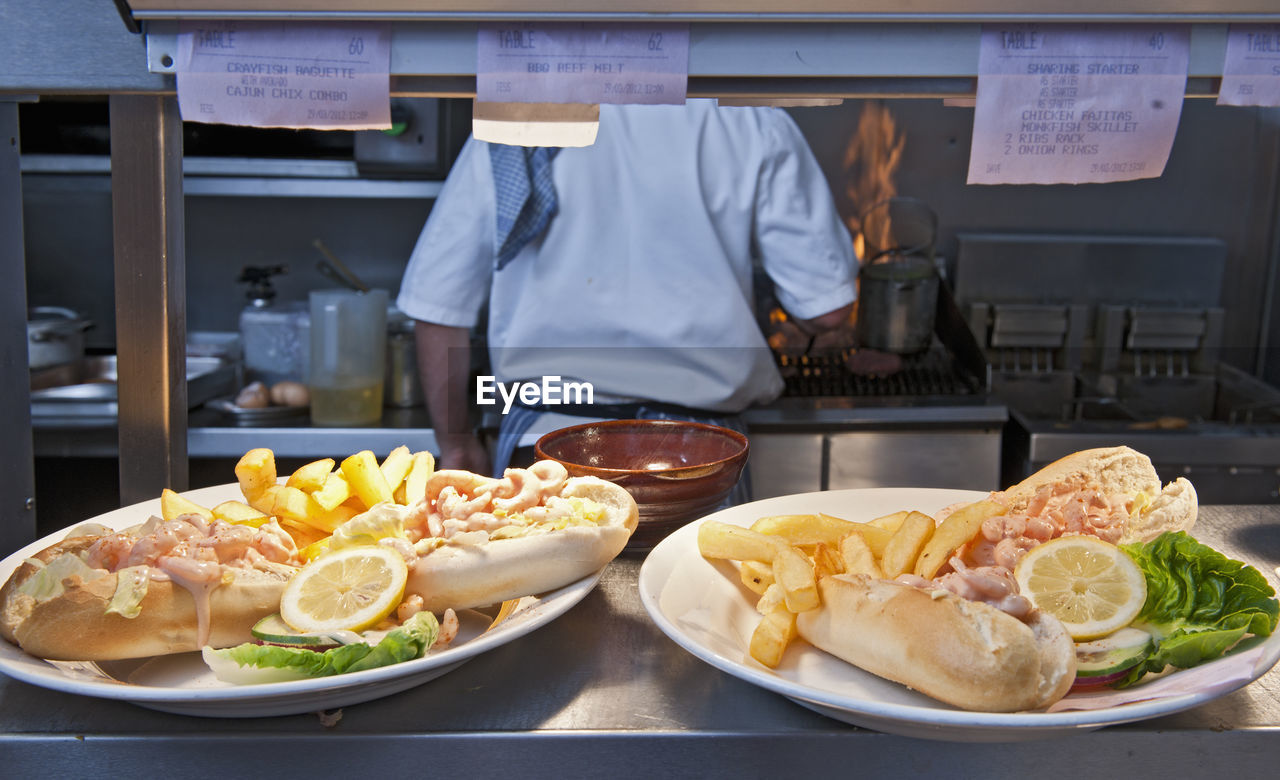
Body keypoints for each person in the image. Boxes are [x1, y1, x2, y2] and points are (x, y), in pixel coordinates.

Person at [397, 99, 857, 492]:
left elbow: (438, 305)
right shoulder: (749, 115)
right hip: (699, 453)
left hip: (545, 445)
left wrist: (457, 442)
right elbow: (828, 309)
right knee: (696, 596)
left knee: (543, 600)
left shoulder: (521, 118)